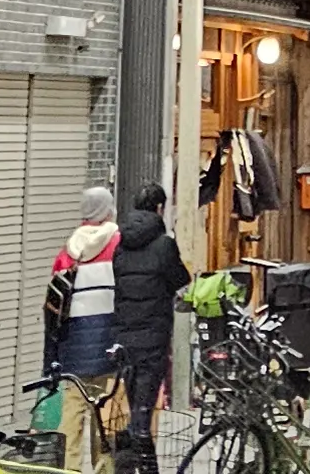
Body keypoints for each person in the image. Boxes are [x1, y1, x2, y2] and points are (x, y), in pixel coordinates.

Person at [108, 183, 190, 471]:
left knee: (136, 404)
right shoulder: (164, 244)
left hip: (125, 334)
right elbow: (180, 279)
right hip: (153, 335)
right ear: (159, 208)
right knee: (143, 412)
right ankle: (133, 463)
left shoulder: (120, 245)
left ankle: (142, 464)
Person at [46, 182, 125, 474]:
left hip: (75, 346)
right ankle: (104, 469)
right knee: (105, 416)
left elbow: (54, 305)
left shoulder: (69, 250)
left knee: (73, 412)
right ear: (108, 209)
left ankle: (69, 469)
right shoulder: (118, 244)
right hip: (108, 342)